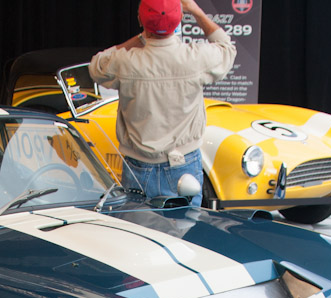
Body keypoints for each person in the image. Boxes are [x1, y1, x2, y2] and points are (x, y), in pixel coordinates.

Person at [89, 0, 236, 206]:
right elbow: (226, 47)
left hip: (137, 168)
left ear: (140, 20)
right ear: (180, 18)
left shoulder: (126, 62)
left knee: (138, 235)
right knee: (184, 235)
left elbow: (97, 65)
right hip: (183, 166)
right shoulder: (196, 58)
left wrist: (143, 37)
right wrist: (196, 11)